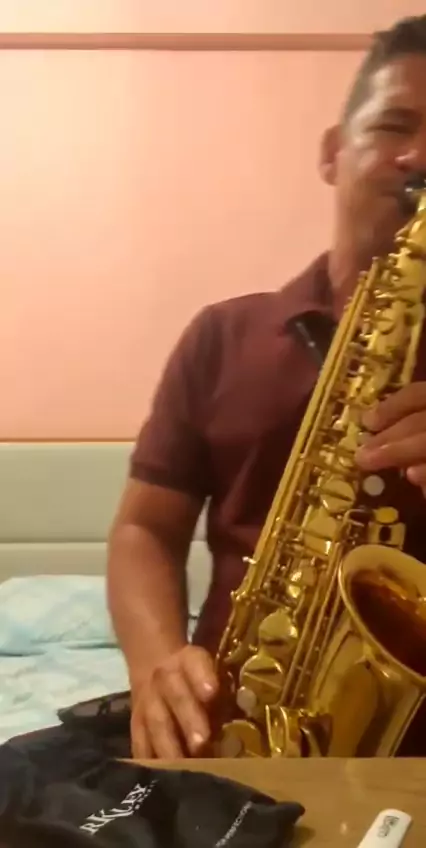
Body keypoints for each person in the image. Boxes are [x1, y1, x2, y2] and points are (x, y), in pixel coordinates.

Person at [107, 14, 426, 760]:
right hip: (234, 731)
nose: (420, 157)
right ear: (332, 151)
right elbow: (145, 530)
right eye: (394, 126)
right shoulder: (222, 336)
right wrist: (156, 665)